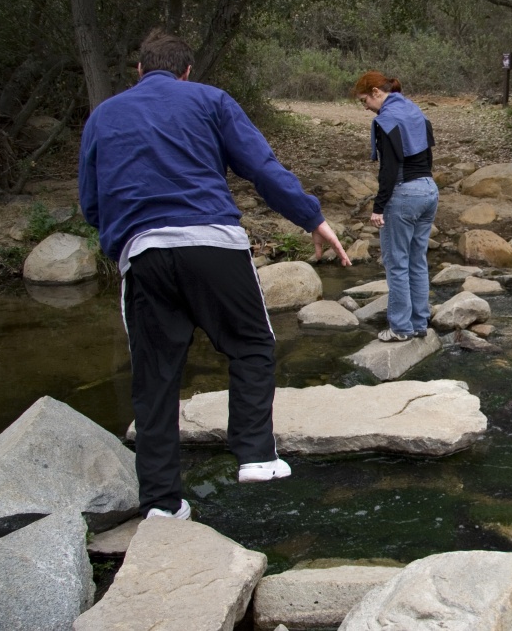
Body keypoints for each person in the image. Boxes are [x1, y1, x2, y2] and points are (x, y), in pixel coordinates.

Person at [78, 28, 351, 520]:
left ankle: (162, 504)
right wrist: (312, 218)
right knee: (251, 343)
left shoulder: (103, 115)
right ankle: (255, 456)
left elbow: (91, 202)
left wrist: (120, 242)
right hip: (213, 243)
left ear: (139, 70)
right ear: (187, 72)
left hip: (144, 253)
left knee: (156, 376)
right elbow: (262, 169)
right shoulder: (210, 100)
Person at [354, 71, 438, 342]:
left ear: (377, 92)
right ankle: (420, 323)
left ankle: (401, 328)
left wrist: (378, 207)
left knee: (397, 264)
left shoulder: (387, 120)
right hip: (428, 190)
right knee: (417, 261)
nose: (365, 106)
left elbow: (388, 169)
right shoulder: (416, 113)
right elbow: (428, 156)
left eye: (364, 100)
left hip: (404, 194)